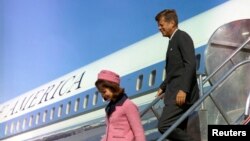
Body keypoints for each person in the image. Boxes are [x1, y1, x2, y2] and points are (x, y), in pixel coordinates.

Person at [155, 9, 199, 141]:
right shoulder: (172, 41)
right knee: (179, 130)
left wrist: (183, 89)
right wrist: (163, 86)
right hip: (173, 92)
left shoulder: (181, 37)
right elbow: (174, 71)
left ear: (172, 23)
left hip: (180, 94)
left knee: (164, 125)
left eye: (161, 24)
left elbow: (190, 64)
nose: (159, 28)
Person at [95, 70, 146, 141]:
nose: (103, 95)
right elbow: (110, 132)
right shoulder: (109, 107)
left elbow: (138, 132)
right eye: (101, 93)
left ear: (112, 87)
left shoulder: (128, 105)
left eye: (104, 91)